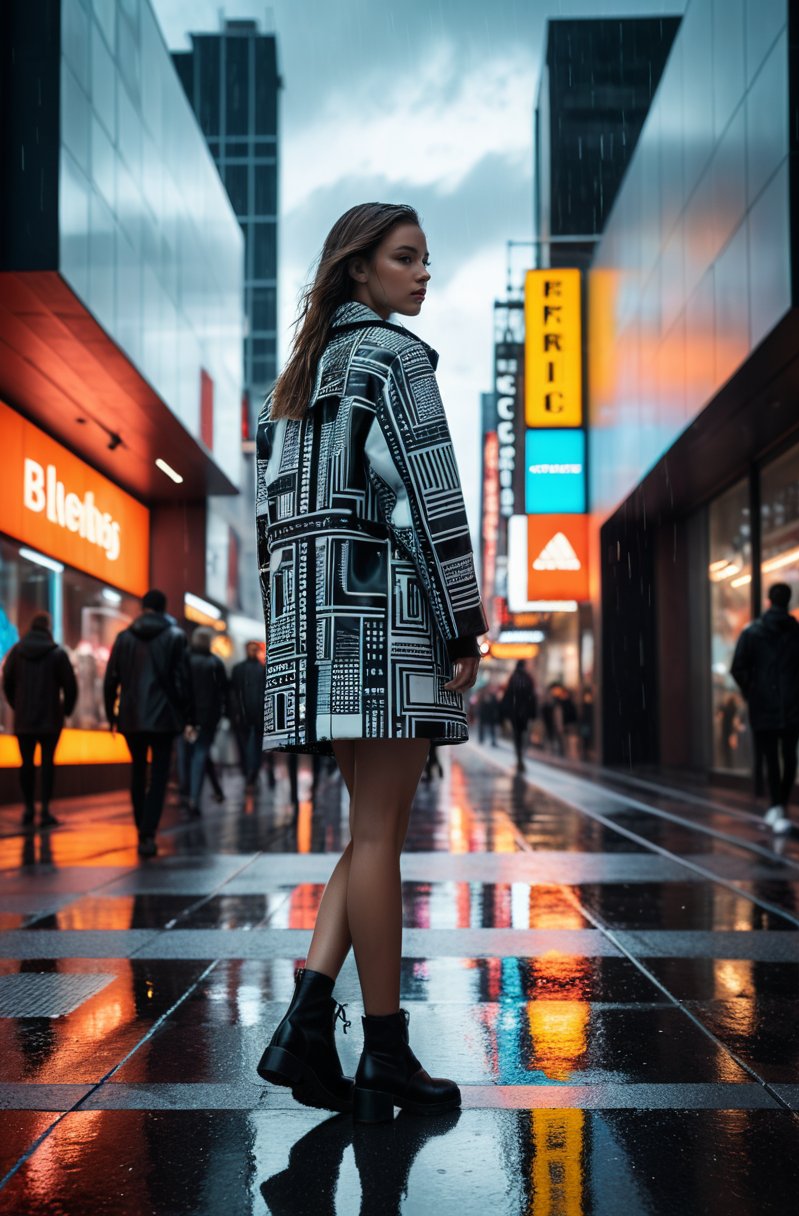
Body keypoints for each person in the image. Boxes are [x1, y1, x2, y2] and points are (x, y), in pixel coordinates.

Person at [254, 203, 486, 1122]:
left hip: (320, 629)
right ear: (360, 270)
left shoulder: (297, 381)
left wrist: (291, 642)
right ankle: (385, 1049)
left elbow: (272, 526)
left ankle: (307, 1027)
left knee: (367, 831)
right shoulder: (395, 361)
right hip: (386, 620)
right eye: (406, 257)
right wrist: (462, 622)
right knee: (384, 834)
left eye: (427, 257)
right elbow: (433, 495)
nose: (424, 273)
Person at [104, 589, 193, 857]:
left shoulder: (123, 638)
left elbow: (111, 680)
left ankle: (141, 828)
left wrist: (112, 715)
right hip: (164, 718)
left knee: (138, 772)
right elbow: (183, 682)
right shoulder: (175, 637)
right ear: (164, 608)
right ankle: (148, 833)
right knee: (159, 776)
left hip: (131, 717)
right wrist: (186, 714)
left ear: (143, 608)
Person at [730, 582, 799, 834]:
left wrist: (753, 691)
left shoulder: (752, 633)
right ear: (789, 600)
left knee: (771, 756)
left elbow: (738, 668)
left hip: (764, 705)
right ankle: (780, 803)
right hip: (793, 704)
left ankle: (776, 805)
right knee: (789, 755)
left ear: (769, 601)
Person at [1, 613, 77, 828]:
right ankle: (44, 809)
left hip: (24, 719)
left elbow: (6, 681)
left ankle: (28, 808)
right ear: (47, 628)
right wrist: (66, 711)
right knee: (47, 764)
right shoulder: (57, 653)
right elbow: (70, 685)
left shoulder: (17, 652)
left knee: (26, 764)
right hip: (50, 720)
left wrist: (17, 705)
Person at [178, 627, 228, 817]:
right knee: (200, 755)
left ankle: (186, 792)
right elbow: (224, 690)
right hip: (207, 719)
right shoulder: (215, 663)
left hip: (186, 718)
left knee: (185, 754)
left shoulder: (184, 660)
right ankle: (194, 798)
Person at [230, 641, 269, 791]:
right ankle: (252, 772)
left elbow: (232, 692)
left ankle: (249, 772)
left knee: (245, 745)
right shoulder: (262, 669)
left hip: (244, 712)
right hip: (255, 712)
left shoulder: (239, 669)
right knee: (255, 745)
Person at [500, 660, 538, 772]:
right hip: (525, 712)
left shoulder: (513, 678)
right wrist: (532, 713)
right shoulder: (528, 678)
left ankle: (519, 758)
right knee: (524, 734)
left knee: (517, 736)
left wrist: (504, 713)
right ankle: (522, 757)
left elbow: (508, 695)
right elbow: (533, 697)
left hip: (514, 712)